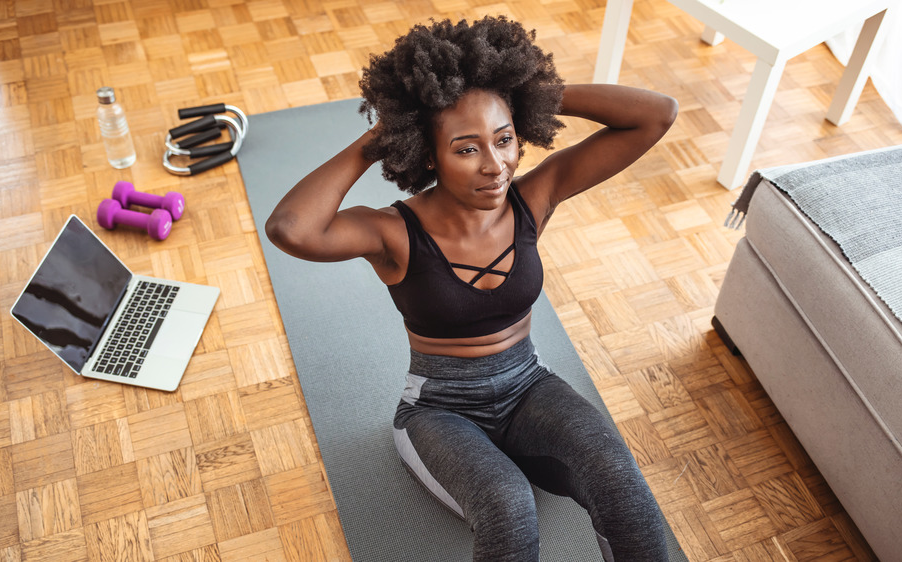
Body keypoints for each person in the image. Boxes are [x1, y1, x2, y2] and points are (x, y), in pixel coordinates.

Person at [266, 16, 678, 562]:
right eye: (466, 149)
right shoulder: (393, 232)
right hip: (438, 412)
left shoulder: (534, 198)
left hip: (530, 388)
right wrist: (377, 139)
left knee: (622, 484)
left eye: (504, 139)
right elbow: (291, 228)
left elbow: (656, 115)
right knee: (509, 510)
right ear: (427, 152)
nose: (495, 166)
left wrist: (529, 93)